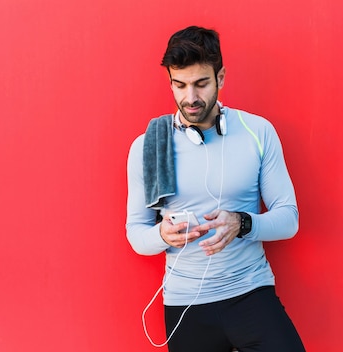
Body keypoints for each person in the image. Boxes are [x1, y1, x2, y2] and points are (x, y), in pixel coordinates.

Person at [125, 26, 305, 352]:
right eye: (179, 85)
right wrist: (162, 235)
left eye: (201, 83)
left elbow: (289, 219)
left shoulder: (257, 132)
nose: (190, 98)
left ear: (220, 78)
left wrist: (242, 223)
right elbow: (136, 233)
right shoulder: (150, 145)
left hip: (250, 293)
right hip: (186, 305)